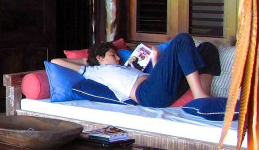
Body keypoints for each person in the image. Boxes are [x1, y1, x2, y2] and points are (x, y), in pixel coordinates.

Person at [50, 33, 219, 108]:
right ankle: (198, 95)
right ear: (100, 58)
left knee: (207, 49)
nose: (118, 58)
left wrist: (156, 60)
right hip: (147, 94)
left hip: (158, 89)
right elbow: (56, 61)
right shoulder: (94, 71)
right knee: (182, 39)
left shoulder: (126, 68)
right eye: (113, 55)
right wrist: (84, 60)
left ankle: (201, 97)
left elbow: (158, 80)